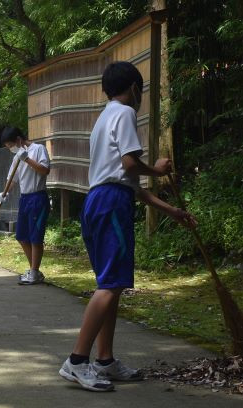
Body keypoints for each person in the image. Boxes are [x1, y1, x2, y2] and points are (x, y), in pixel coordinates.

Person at [58, 61, 197, 392]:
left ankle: (104, 359)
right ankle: (77, 361)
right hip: (110, 204)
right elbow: (131, 165)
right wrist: (159, 169)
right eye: (141, 90)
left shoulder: (104, 119)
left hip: (100, 200)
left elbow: (134, 185)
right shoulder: (123, 113)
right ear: (135, 88)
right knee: (109, 285)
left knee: (113, 284)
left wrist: (172, 211)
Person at [0, 126, 50, 285]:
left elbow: (44, 170)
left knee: (35, 237)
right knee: (21, 236)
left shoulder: (39, 149)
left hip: (38, 197)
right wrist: (3, 193)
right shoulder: (16, 158)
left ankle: (34, 272)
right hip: (25, 199)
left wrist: (27, 159)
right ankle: (34, 270)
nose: (10, 149)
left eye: (10, 145)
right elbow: (12, 179)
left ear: (19, 140)